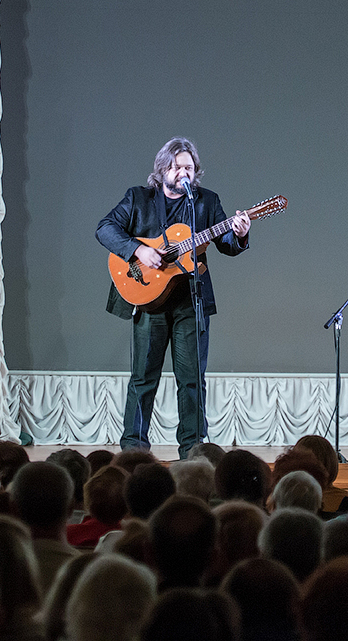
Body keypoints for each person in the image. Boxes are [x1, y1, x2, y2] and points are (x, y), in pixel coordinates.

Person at [96, 137, 250, 458]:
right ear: (163, 168)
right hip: (149, 300)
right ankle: (133, 451)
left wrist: (239, 232)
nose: (184, 172)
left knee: (192, 380)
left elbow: (225, 243)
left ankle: (193, 451)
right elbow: (106, 228)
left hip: (190, 301)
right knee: (143, 378)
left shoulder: (206, 202)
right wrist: (139, 250)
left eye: (189, 168)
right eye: (178, 167)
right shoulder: (139, 198)